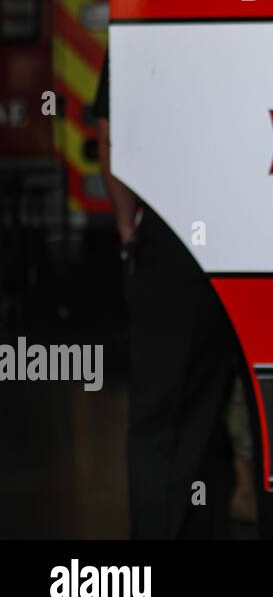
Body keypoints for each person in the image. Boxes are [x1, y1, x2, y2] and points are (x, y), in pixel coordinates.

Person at [93, 55, 241, 538]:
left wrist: (125, 225)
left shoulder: (138, 34)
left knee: (161, 413)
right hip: (244, 233)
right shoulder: (237, 24)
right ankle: (207, 521)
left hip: (166, 239)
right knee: (217, 404)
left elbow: (111, 139)